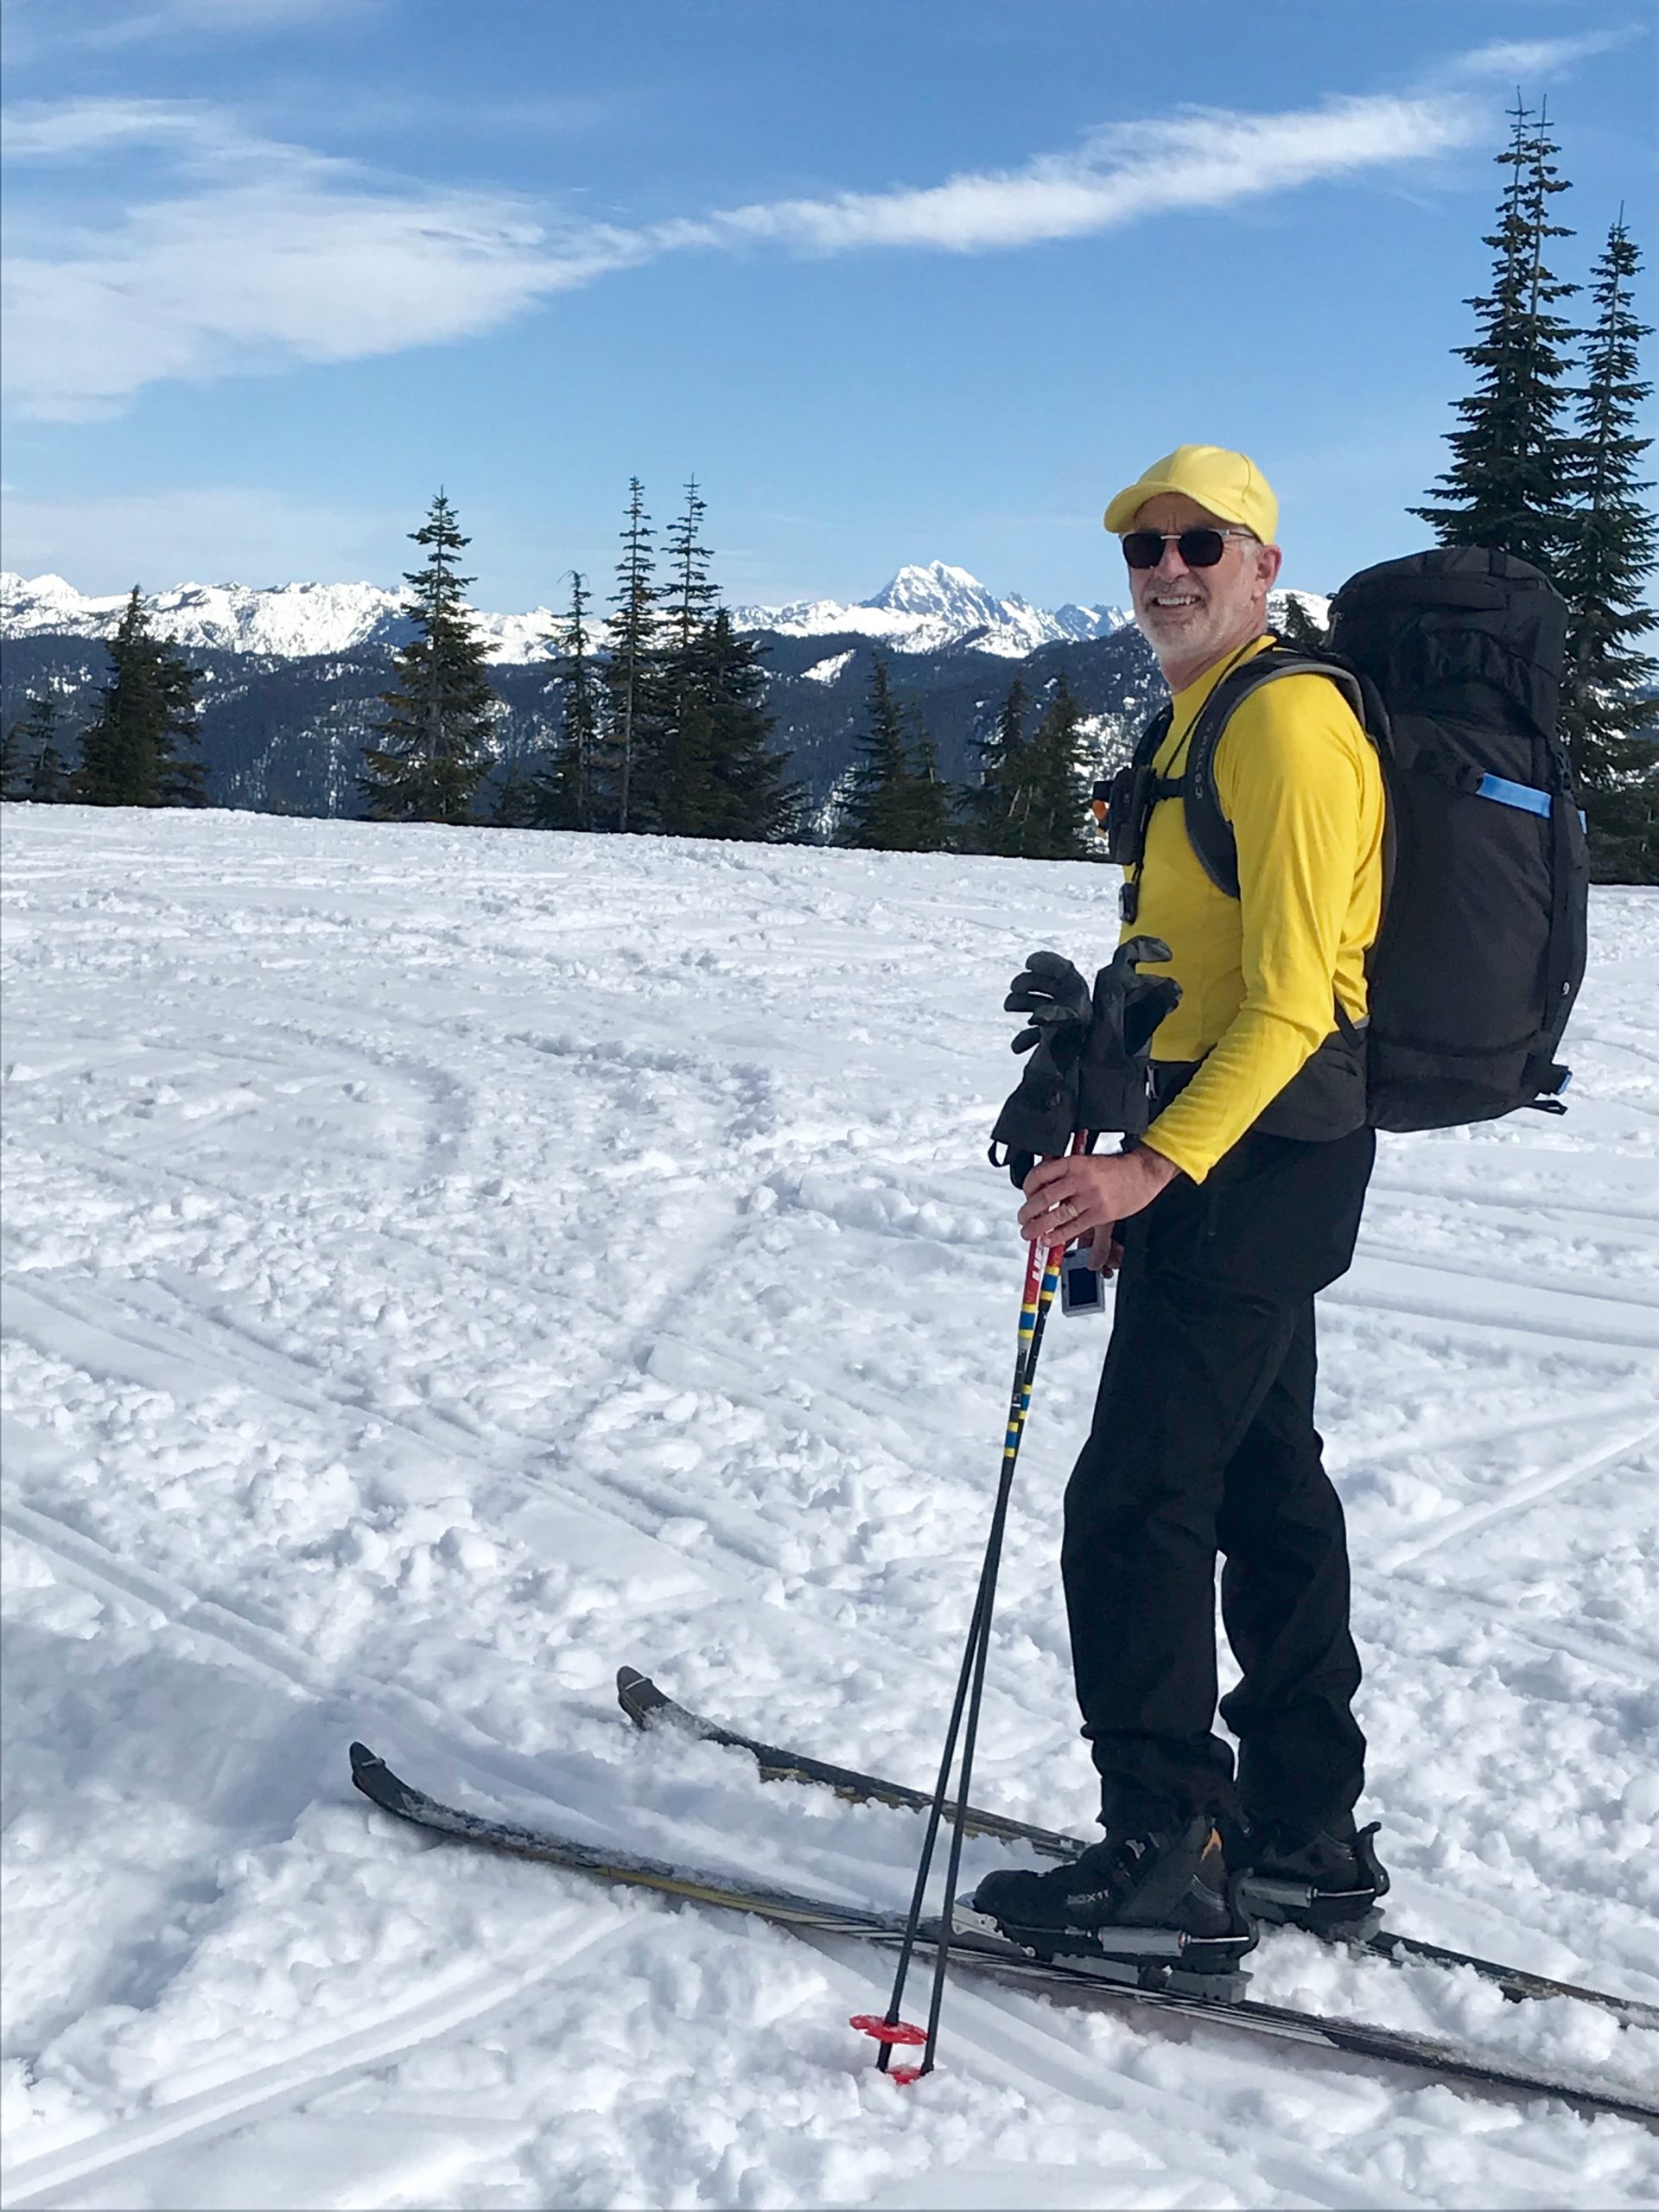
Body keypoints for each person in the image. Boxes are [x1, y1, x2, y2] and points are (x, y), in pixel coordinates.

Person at [973, 444, 1389, 1966]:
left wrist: (1149, 1164)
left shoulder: (1283, 727)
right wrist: (1099, 1048)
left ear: (1263, 563)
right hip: (1246, 1155)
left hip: (1250, 1162)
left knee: (1138, 1500)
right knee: (1268, 1489)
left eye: (1199, 544)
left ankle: (1165, 1854)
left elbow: (1288, 1005)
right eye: (1145, 547)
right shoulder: (1205, 717)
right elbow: (1210, 970)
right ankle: (1301, 1829)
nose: (1166, 569)